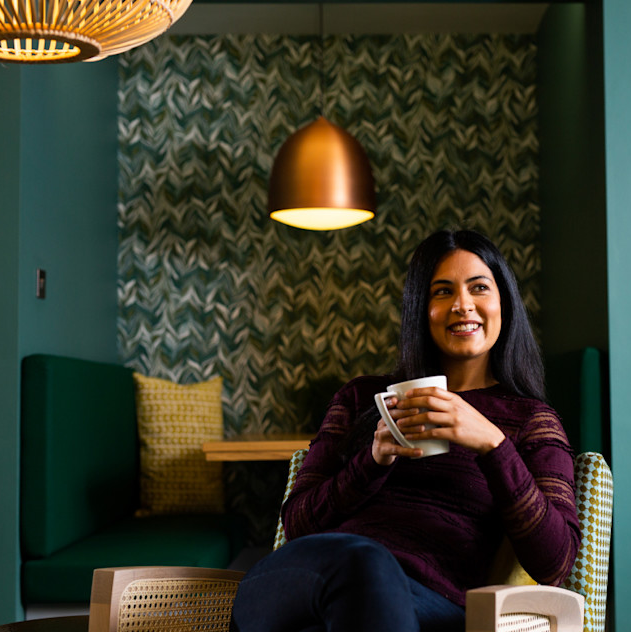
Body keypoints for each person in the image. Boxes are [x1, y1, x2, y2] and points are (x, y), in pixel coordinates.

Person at [230, 229, 581, 632]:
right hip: (305, 579)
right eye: (442, 292)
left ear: (504, 302)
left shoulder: (531, 422)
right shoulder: (360, 398)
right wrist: (373, 461)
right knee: (362, 562)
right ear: (421, 309)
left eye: (479, 288)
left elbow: (555, 562)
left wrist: (492, 444)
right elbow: (298, 526)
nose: (462, 305)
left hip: (428, 604)